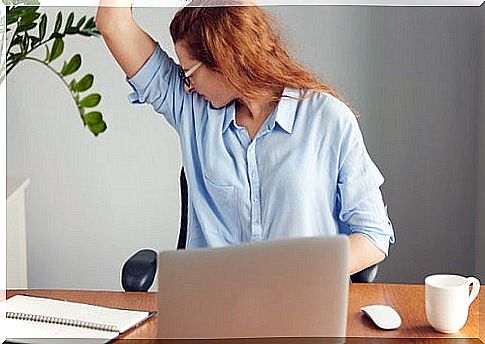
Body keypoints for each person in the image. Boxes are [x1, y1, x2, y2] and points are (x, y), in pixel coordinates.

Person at [96, 0, 395, 275]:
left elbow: (374, 235)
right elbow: (113, 23)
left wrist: (305, 275)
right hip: (213, 312)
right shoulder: (194, 109)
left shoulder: (328, 119)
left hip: (298, 309)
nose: (186, 86)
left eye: (189, 74)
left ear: (224, 61)